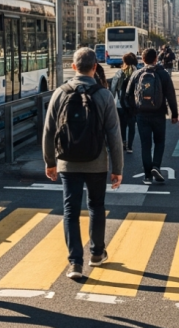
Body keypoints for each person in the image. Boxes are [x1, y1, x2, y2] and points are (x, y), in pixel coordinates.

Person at [43, 48, 124, 280]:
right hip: (97, 162)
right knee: (96, 206)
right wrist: (117, 168)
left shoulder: (60, 92)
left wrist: (50, 162)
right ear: (95, 67)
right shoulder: (104, 95)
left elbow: (49, 131)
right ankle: (97, 253)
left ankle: (75, 263)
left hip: (67, 162)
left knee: (70, 210)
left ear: (74, 66)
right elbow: (114, 136)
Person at [126, 48, 179, 185]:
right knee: (159, 142)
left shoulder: (137, 74)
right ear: (156, 58)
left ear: (142, 59)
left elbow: (128, 94)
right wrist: (174, 113)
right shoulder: (163, 74)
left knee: (145, 144)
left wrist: (134, 111)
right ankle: (156, 166)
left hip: (142, 114)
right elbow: (170, 95)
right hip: (159, 113)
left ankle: (147, 175)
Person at [110, 52, 139, 153]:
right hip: (132, 104)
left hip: (120, 104)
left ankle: (123, 143)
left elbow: (113, 88)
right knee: (132, 126)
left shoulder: (119, 72)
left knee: (122, 125)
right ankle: (130, 147)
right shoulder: (137, 73)